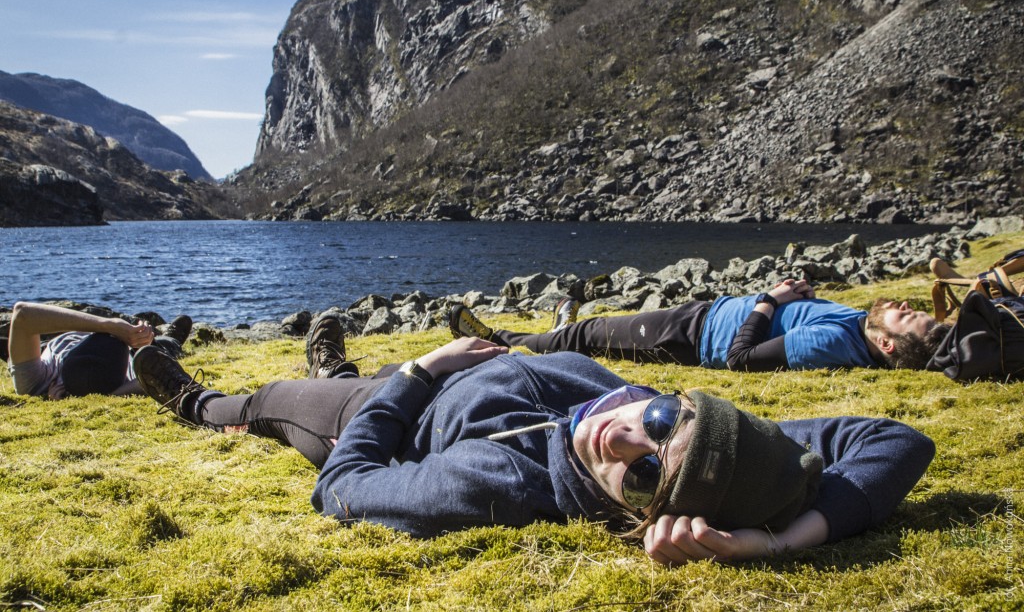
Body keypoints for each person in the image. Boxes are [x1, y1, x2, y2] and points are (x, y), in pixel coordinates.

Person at [131, 312, 934, 565]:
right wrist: (799, 526)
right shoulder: (723, 445)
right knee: (351, 373)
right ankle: (340, 361)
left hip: (397, 409)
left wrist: (417, 371)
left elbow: (343, 485)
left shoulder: (498, 485)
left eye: (645, 481)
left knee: (278, 401)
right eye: (658, 427)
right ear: (686, 406)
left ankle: (199, 399)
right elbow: (894, 441)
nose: (622, 444)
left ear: (639, 517)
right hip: (475, 367)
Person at [449, 278, 951, 371]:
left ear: (886, 345)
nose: (906, 306)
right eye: (910, 308)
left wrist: (767, 301)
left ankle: (501, 339)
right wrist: (803, 296)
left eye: (908, 319)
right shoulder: (856, 323)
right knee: (592, 332)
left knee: (586, 338)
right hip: (700, 316)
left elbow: (741, 359)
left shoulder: (833, 343)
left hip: (691, 335)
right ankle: (555, 326)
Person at [6, 301, 192, 399]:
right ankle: (171, 338)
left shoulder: (36, 383)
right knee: (165, 348)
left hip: (72, 335)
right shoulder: (129, 377)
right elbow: (170, 379)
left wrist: (109, 326)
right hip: (137, 353)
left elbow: (22, 314)